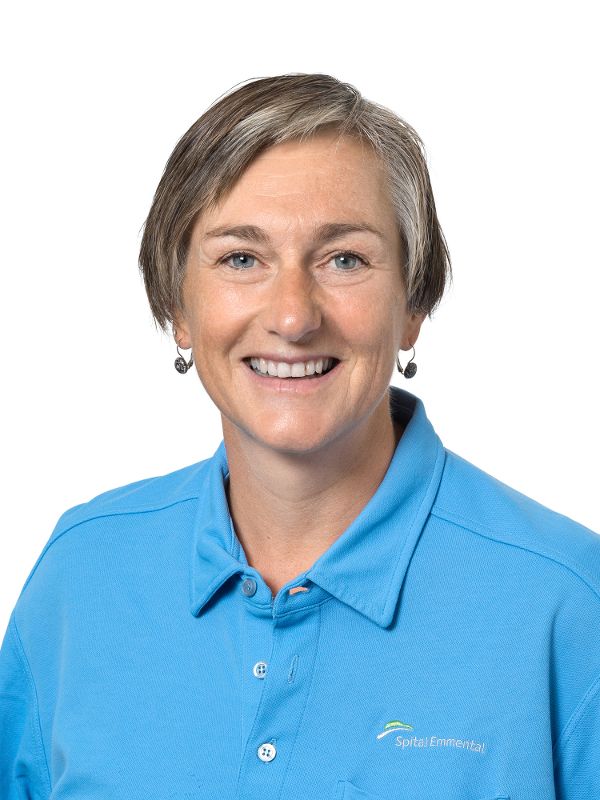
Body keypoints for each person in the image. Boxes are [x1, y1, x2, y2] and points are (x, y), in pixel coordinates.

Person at [0, 73, 598, 800]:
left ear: (412, 304)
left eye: (344, 259)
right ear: (178, 307)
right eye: (241, 259)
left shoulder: (567, 603)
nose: (292, 316)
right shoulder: (82, 574)